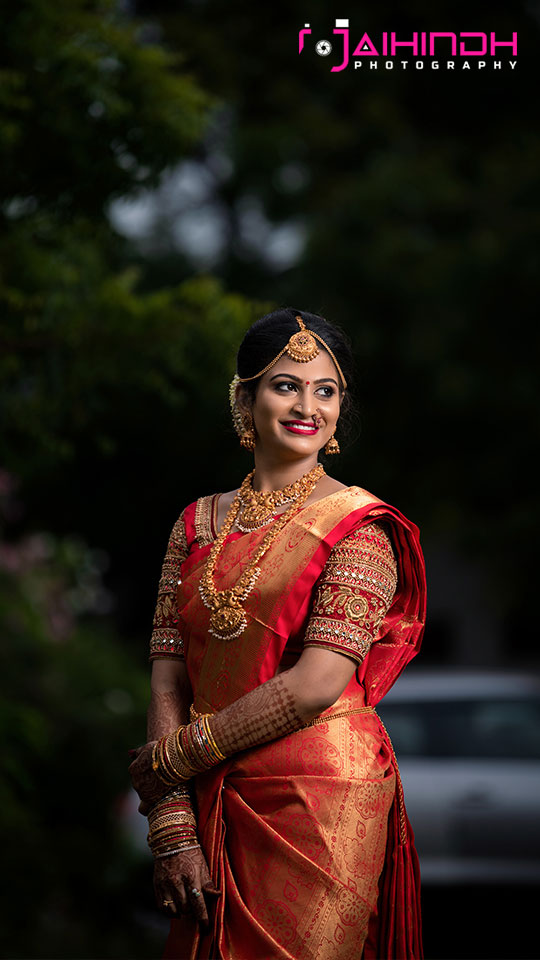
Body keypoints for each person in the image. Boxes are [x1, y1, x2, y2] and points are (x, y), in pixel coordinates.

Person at [129, 308, 426, 960]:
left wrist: (176, 758)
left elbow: (317, 686)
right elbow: (167, 673)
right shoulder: (195, 523)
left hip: (318, 803)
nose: (307, 406)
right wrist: (173, 825)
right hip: (213, 796)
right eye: (285, 384)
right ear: (245, 398)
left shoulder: (360, 527)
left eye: (326, 390)